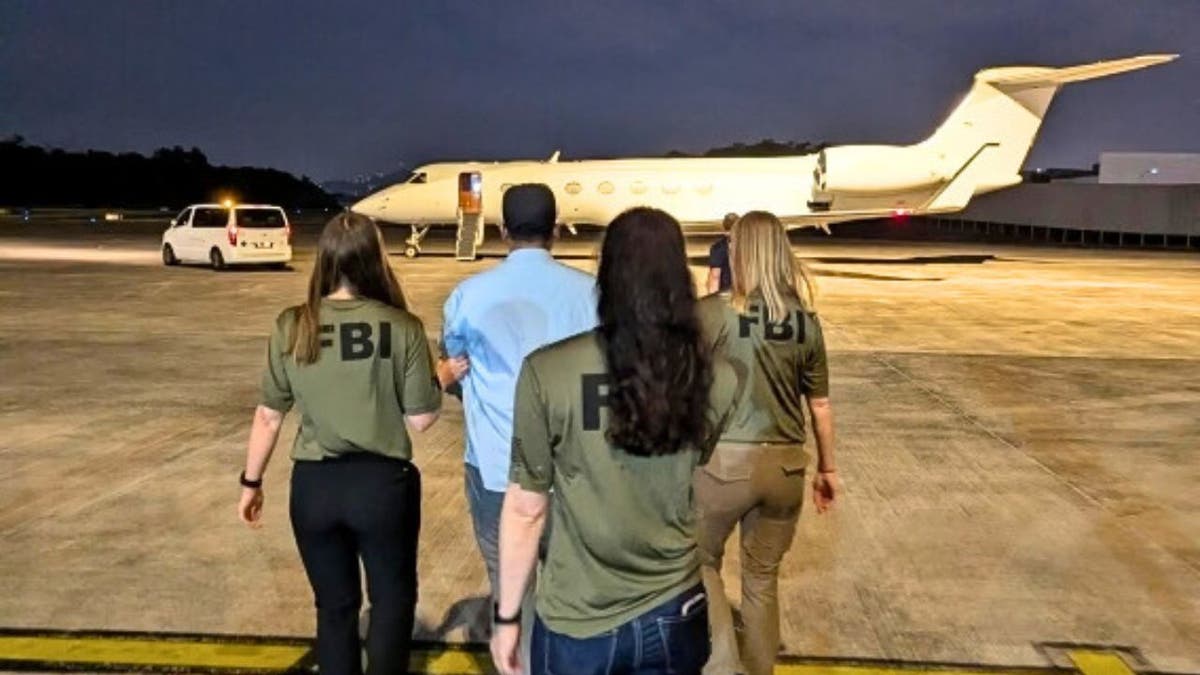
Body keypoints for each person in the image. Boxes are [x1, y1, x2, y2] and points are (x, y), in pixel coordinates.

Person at [490, 207, 741, 675]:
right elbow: (693, 460)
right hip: (676, 606)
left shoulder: (548, 371)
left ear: (607, 274)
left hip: (581, 617)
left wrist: (506, 617)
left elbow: (527, 508)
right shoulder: (719, 377)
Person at [237, 212, 442, 675]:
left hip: (314, 488)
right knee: (391, 602)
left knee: (334, 609)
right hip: (381, 488)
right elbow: (423, 419)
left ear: (325, 261)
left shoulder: (293, 325)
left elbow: (269, 415)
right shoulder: (401, 326)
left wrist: (251, 481)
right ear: (376, 260)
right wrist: (439, 378)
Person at [694, 210, 839, 675]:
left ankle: (721, 667)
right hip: (786, 468)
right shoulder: (807, 322)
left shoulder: (714, 311)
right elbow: (820, 406)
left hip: (722, 464)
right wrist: (827, 470)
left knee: (700, 564)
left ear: (739, 252)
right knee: (761, 580)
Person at [438, 183, 596, 606]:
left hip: (497, 469)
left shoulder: (468, 296)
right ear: (556, 230)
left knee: (511, 595)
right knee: (574, 597)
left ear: (503, 231)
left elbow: (453, 364)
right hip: (574, 472)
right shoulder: (592, 293)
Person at [706, 212, 739, 294]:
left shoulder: (719, 247)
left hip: (725, 293)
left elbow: (715, 276)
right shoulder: (748, 245)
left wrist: (712, 298)